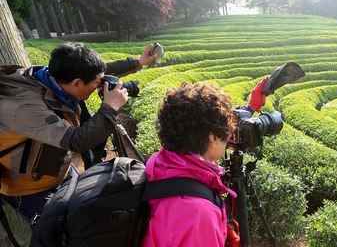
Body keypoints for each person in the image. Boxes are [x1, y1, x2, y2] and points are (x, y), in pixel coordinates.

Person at [0, 42, 157, 225]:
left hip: (56, 166)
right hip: (30, 187)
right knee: (58, 232)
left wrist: (137, 62)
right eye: (97, 84)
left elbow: (96, 73)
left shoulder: (53, 76)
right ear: (76, 84)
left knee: (84, 212)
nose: (100, 85)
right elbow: (76, 141)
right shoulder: (25, 107)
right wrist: (110, 108)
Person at [142, 78, 268, 247]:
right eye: (227, 132)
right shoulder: (199, 214)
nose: (230, 136)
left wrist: (250, 107)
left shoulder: (162, 162)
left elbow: (198, 119)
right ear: (212, 138)